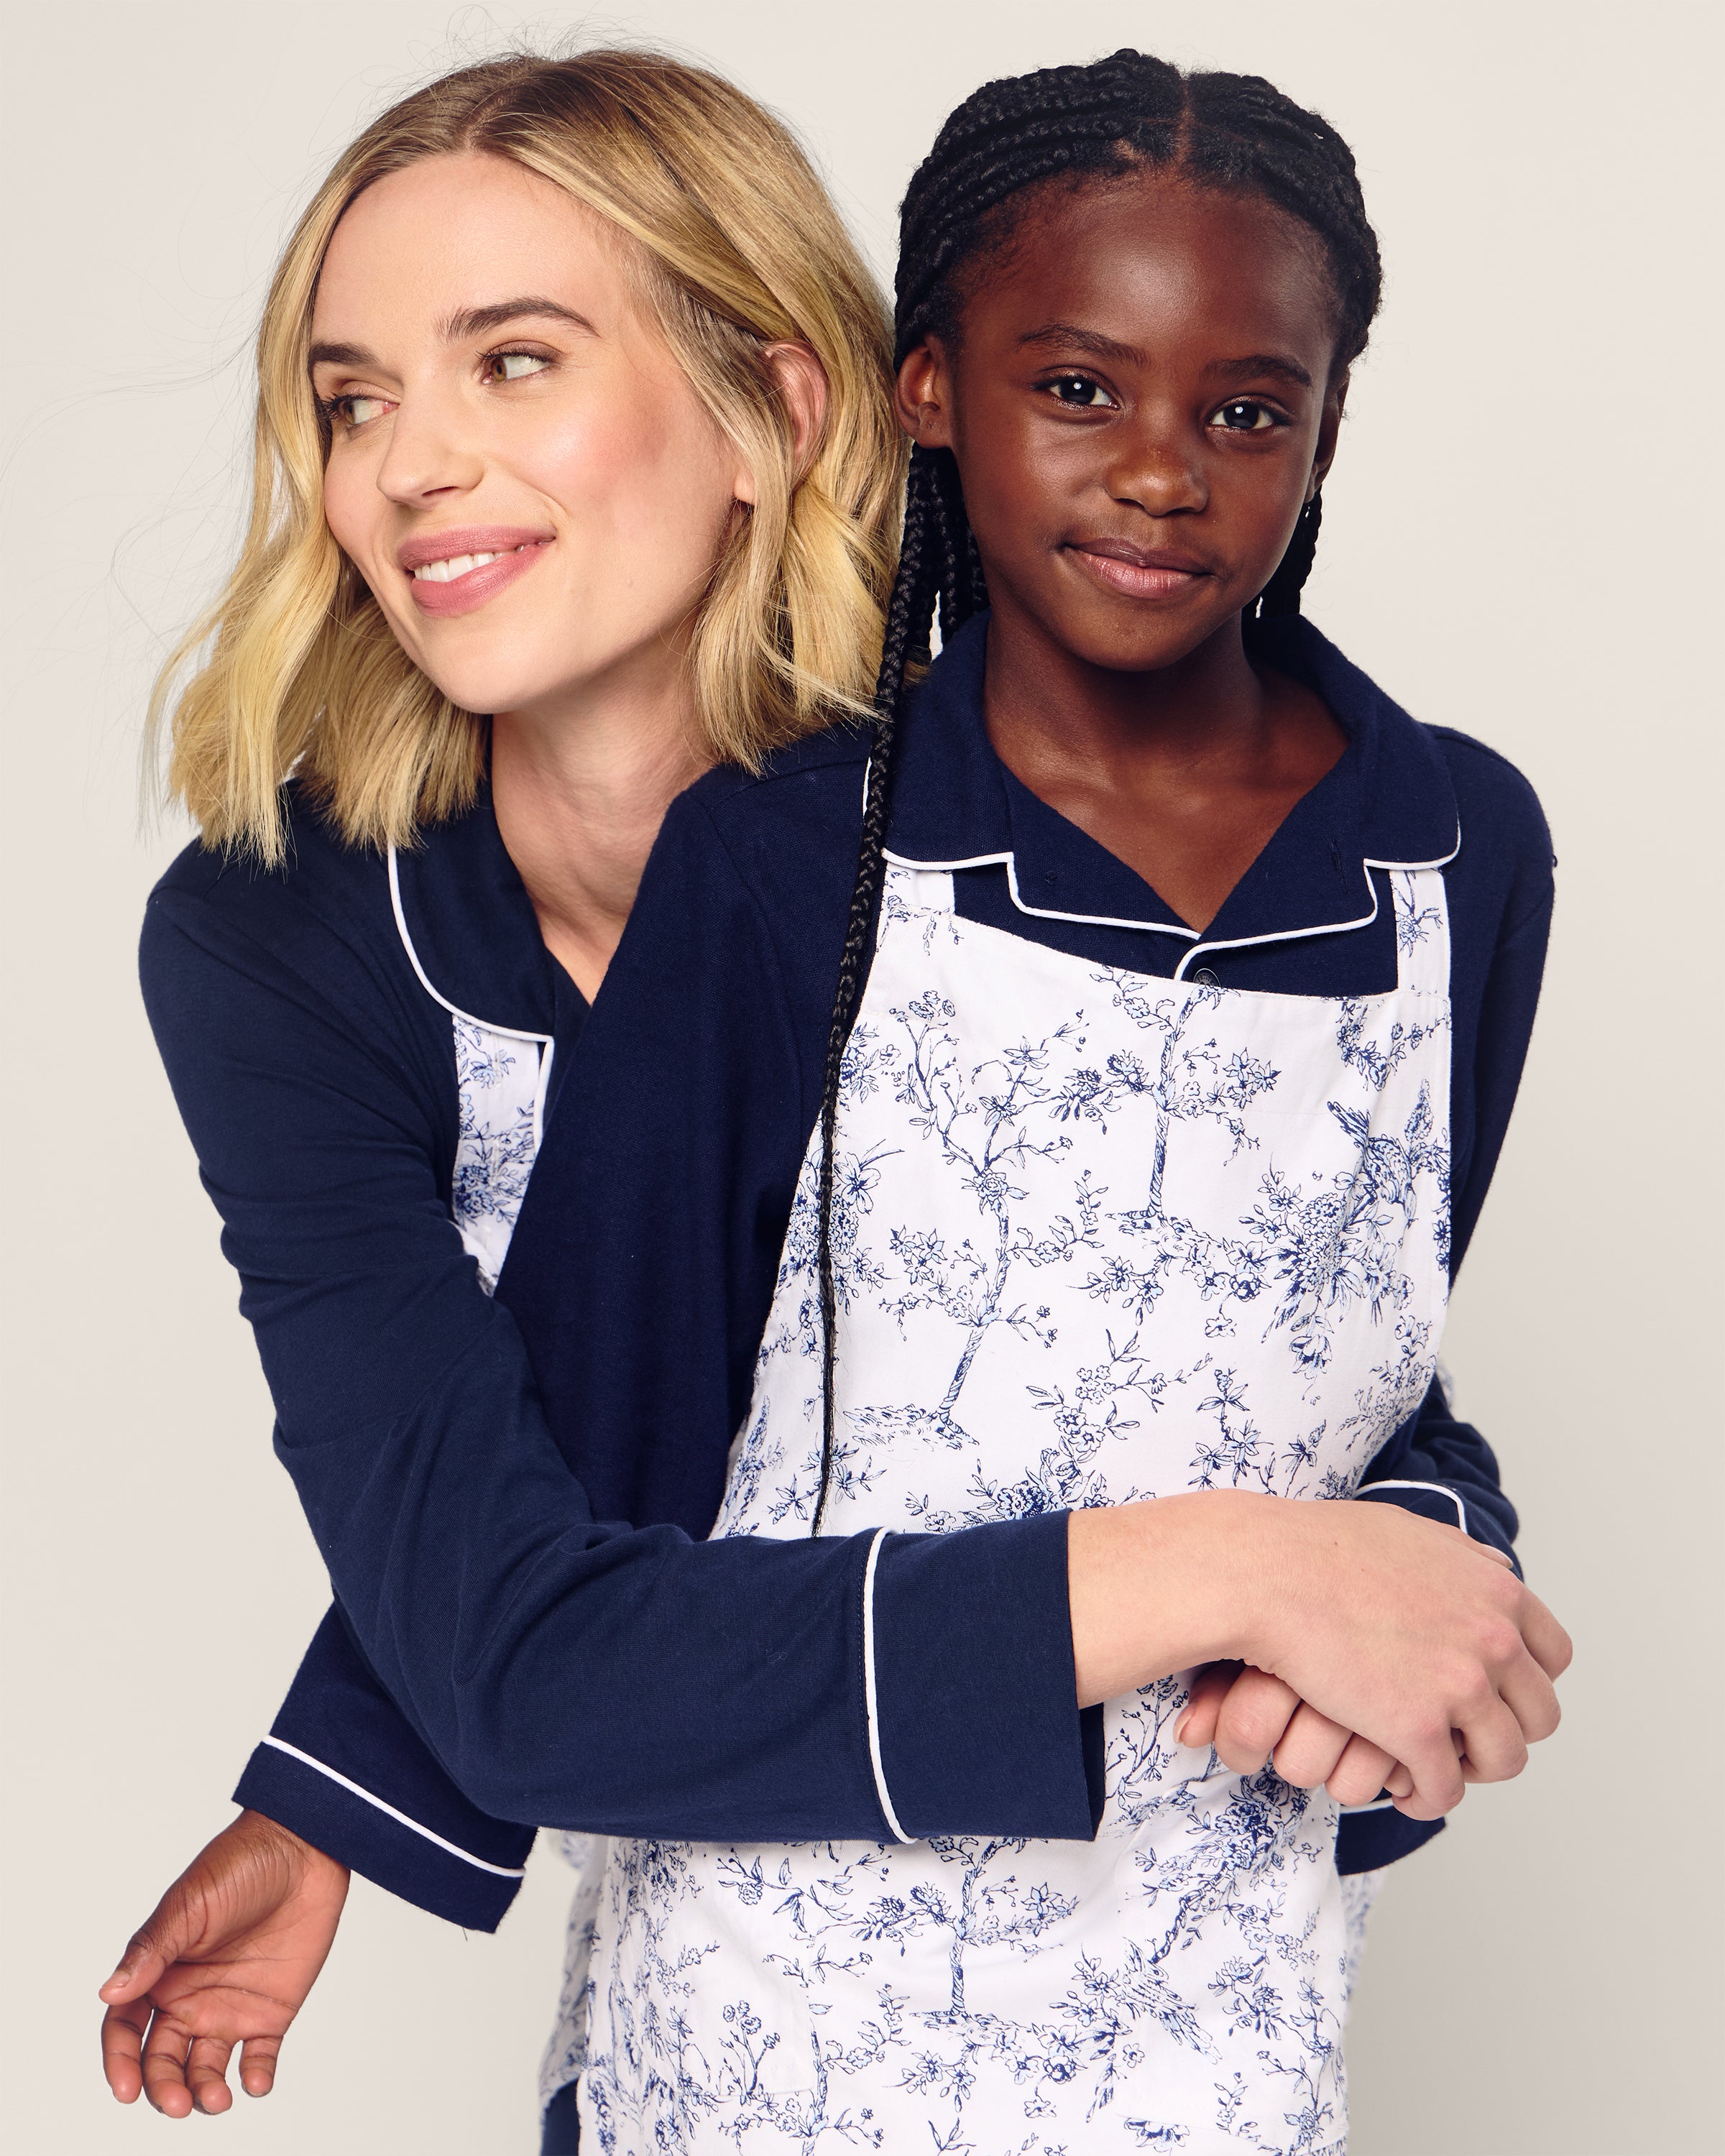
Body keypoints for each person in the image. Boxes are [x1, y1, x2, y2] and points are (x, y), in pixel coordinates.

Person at [106, 48, 1570, 2153]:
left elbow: (1321, 1353)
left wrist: (1414, 1556)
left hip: (1204, 2019)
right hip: (749, 2025)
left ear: (781, 413)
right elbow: (524, 1553)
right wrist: (345, 1781)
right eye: (351, 400)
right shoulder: (285, 941)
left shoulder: (1100, 775)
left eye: (511, 363)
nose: (410, 463)